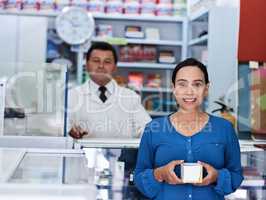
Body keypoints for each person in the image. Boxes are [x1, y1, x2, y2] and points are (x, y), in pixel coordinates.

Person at [134, 58, 243, 200]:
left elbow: (236, 175)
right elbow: (139, 177)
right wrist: (159, 173)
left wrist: (217, 176)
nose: (189, 91)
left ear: (206, 89)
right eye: (182, 84)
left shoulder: (224, 128)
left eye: (197, 84)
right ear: (173, 88)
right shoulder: (154, 129)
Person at [68, 42, 151, 139]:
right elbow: (61, 126)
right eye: (96, 61)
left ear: (115, 67)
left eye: (107, 62)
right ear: (86, 65)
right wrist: (70, 130)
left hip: (122, 154)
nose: (101, 66)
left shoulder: (130, 97)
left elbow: (146, 129)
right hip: (83, 154)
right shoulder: (72, 96)